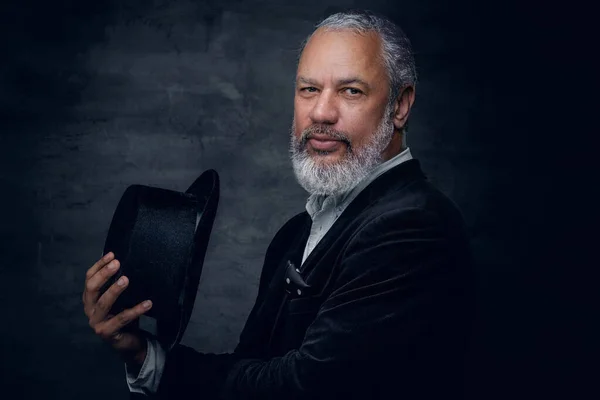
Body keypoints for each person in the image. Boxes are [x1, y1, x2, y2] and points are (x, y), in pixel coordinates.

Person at [82, 9, 474, 400]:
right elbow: (255, 366)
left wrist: (161, 365)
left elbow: (303, 389)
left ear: (400, 106)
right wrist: (140, 353)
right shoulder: (295, 233)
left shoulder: (414, 226)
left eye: (351, 90)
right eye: (308, 89)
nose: (321, 113)